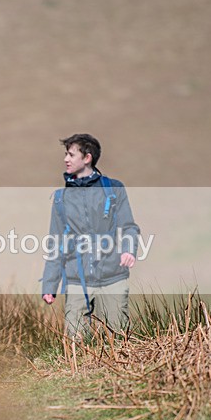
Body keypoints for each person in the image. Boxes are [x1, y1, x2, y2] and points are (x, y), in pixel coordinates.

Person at [41, 134, 139, 342]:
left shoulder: (113, 190)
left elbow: (129, 226)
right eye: (66, 154)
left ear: (87, 158)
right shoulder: (61, 198)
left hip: (112, 277)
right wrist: (50, 285)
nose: (66, 159)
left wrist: (129, 249)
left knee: (119, 340)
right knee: (75, 345)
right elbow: (56, 243)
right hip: (77, 280)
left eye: (71, 154)